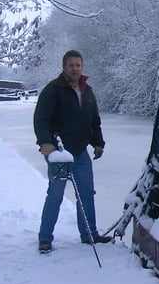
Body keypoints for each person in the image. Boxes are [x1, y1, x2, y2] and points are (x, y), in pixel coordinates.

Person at [33, 50, 112, 253]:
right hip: (58, 152)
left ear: (82, 67)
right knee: (55, 195)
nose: (75, 69)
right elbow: (41, 119)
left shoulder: (87, 91)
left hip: (80, 153)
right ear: (64, 67)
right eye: (71, 65)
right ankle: (45, 238)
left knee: (86, 194)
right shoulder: (53, 90)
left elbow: (94, 121)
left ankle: (89, 235)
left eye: (78, 65)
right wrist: (45, 143)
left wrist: (98, 143)